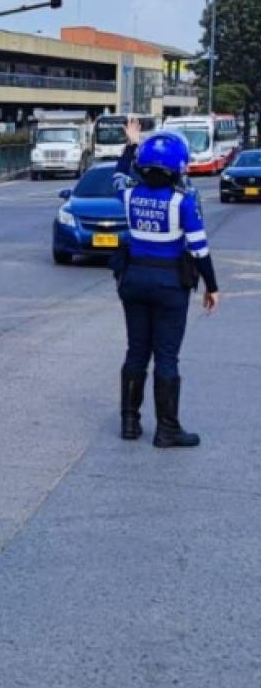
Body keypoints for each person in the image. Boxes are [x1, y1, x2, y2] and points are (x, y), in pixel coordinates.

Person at [113, 117, 219, 448]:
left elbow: (118, 175)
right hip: (170, 284)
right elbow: (200, 250)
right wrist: (211, 287)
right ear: (178, 168)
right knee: (167, 356)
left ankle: (130, 423)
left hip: (133, 280)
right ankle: (167, 429)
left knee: (136, 351)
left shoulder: (129, 196)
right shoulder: (182, 201)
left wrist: (132, 144)